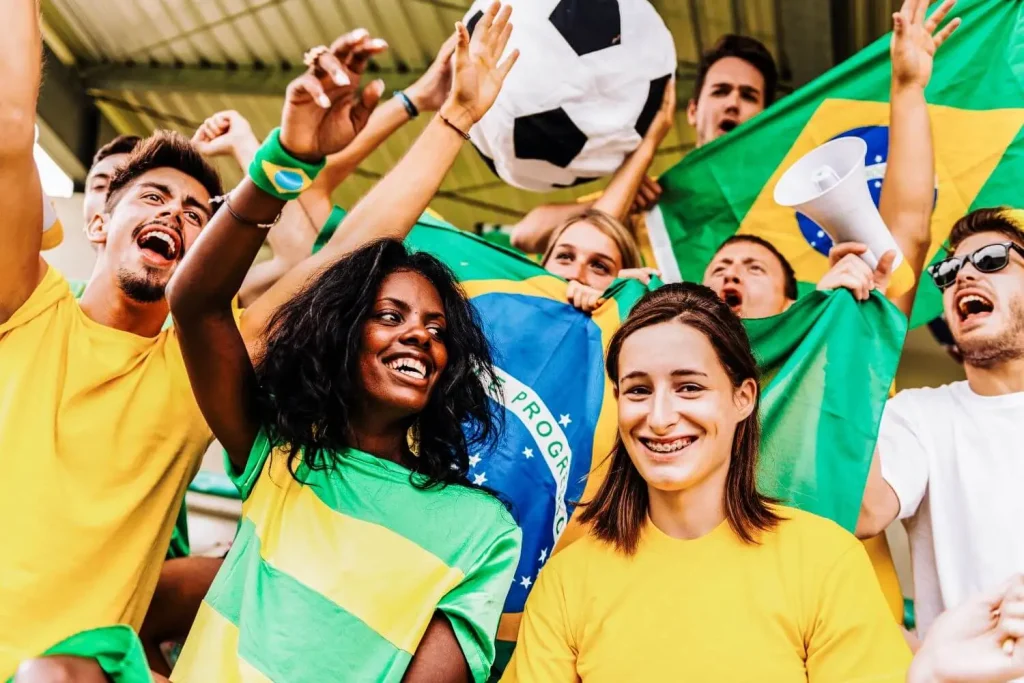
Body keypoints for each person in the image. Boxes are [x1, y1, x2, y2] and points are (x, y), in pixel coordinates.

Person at [165, 6, 523, 680]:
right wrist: (288, 159)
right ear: (337, 337)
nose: (419, 330)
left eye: (438, 329)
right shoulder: (280, 457)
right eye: (390, 315)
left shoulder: (482, 529)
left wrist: (453, 117)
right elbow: (196, 302)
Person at [0, 0, 310, 675]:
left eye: (199, 213)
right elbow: (9, 128)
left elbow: (322, 275)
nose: (176, 211)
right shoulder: (26, 304)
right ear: (99, 223)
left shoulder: (195, 367)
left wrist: (433, 110)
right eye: (154, 196)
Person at [501, 283, 910, 681]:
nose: (659, 418)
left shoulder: (826, 560)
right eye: (639, 390)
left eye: (689, 387)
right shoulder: (566, 581)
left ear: (743, 398)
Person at [856, 207, 1024, 639]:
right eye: (949, 271)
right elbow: (863, 513)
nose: (962, 277)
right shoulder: (920, 416)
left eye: (991, 259)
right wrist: (857, 331)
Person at [510, 34, 778, 273]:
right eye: (721, 91)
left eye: (749, 96)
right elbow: (525, 235)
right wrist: (622, 199)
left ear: (766, 118)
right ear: (693, 111)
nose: (732, 103)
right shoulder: (649, 197)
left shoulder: (781, 205)